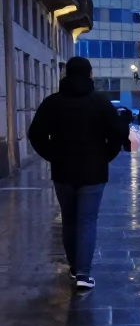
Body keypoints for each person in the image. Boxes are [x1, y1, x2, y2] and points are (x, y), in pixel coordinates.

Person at [28, 56, 124, 290]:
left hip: (63, 170)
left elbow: (36, 135)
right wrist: (105, 156)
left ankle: (73, 266)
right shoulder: (100, 102)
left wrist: (54, 155)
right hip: (93, 171)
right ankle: (83, 272)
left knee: (69, 219)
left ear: (66, 75)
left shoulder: (53, 103)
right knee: (87, 220)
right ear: (90, 75)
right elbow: (118, 133)